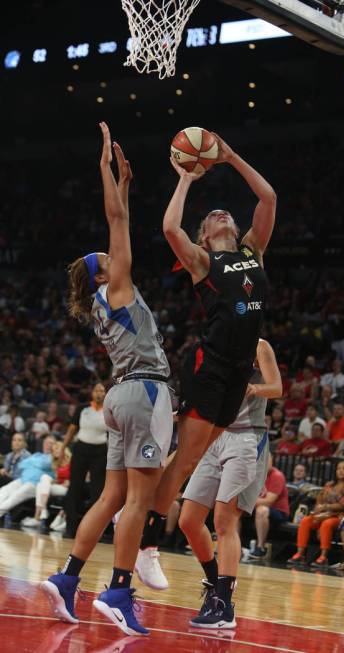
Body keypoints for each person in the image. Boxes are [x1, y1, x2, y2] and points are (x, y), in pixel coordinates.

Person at [41, 123, 173, 637]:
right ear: (103, 273)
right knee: (137, 500)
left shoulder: (100, 303)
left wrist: (123, 185)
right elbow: (116, 220)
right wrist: (109, 175)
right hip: (143, 390)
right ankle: (118, 590)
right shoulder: (117, 287)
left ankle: (69, 577)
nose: (114, 254)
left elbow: (118, 221)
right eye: (107, 256)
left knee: (110, 497)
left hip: (119, 397)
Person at [140, 134, 276, 556]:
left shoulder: (253, 250)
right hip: (211, 364)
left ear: (236, 229)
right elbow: (168, 228)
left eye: (226, 214)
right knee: (186, 458)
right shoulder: (202, 261)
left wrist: (231, 156)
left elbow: (268, 197)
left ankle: (149, 541)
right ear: (204, 237)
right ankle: (146, 546)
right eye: (213, 216)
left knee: (194, 458)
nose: (221, 214)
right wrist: (185, 178)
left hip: (239, 372)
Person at [179, 339, 281, 628]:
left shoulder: (259, 346)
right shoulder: (213, 347)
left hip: (247, 437)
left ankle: (224, 606)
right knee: (188, 519)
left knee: (224, 520)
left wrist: (254, 387)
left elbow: (277, 388)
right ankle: (215, 584)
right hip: (215, 435)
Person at [287, 460, 344, 567]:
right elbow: (320, 499)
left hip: (340, 516)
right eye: (339, 468)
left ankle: (323, 556)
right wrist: (318, 509)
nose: (341, 471)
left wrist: (325, 508)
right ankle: (300, 553)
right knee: (306, 521)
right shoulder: (329, 485)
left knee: (327, 524)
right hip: (323, 514)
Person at [60, 383, 108, 537]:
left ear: (106, 394)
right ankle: (70, 527)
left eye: (102, 391)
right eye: (97, 390)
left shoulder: (109, 410)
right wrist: (62, 448)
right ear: (92, 393)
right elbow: (71, 430)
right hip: (80, 449)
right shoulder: (82, 408)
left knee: (97, 491)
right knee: (75, 488)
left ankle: (92, 530)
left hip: (100, 452)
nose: (99, 393)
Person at [0, 435, 56, 517]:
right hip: (22, 480)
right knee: (4, 490)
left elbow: (44, 464)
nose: (48, 445)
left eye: (50, 443)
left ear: (55, 445)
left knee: (15, 496)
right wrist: (36, 464)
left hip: (35, 484)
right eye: (46, 443)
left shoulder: (53, 457)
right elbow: (22, 464)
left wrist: (32, 463)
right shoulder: (37, 454)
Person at [21, 442, 71, 527]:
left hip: (68, 489)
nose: (54, 452)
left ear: (63, 449)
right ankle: (43, 509)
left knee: (42, 484)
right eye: (53, 450)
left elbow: (79, 477)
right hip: (59, 486)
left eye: (57, 449)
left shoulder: (72, 461)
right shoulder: (56, 464)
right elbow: (58, 480)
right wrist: (53, 481)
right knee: (42, 481)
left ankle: (37, 517)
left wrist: (69, 481)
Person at [250, 454, 290, 558]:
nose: (265, 464)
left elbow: (268, 501)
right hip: (255, 507)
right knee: (234, 510)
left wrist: (247, 500)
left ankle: (260, 547)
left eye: (268, 461)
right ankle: (235, 545)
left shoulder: (277, 476)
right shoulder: (254, 475)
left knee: (262, 510)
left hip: (278, 511)